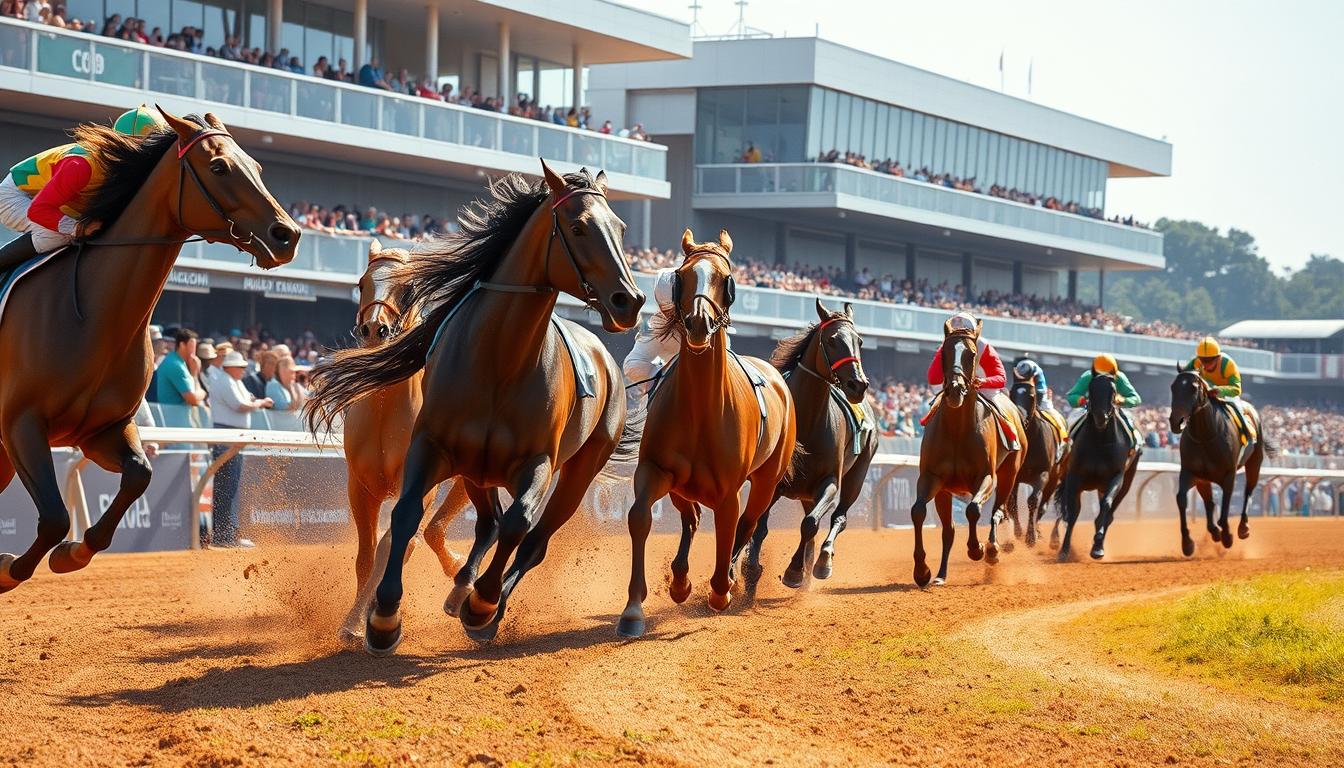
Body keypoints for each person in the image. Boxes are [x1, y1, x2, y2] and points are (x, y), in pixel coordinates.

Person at [0, 105, 165, 271]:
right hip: (16, 196)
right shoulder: (82, 166)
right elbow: (38, 211)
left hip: (58, 200)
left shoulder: (120, 168)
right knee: (58, 235)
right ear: (130, 147)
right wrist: (78, 228)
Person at [205, 351, 273, 548]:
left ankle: (228, 534)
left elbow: (244, 402)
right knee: (226, 486)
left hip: (234, 437)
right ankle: (223, 536)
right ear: (230, 367)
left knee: (230, 486)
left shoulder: (231, 380)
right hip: (228, 437)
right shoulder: (225, 381)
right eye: (240, 367)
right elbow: (240, 405)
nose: (244, 370)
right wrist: (260, 403)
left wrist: (254, 402)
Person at [922, 311, 1017, 447]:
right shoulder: (947, 344)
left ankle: (1012, 441)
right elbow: (933, 377)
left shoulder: (983, 346)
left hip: (984, 390)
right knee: (933, 410)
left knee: (1003, 413)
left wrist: (983, 382)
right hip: (956, 387)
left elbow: (1001, 378)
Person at [1064, 353, 1142, 447]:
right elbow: (1072, 395)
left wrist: (1122, 400)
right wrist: (1082, 400)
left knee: (1130, 425)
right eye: (1100, 373)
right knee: (1070, 423)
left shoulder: (1119, 377)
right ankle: (1064, 448)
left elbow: (1136, 398)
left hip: (1114, 409)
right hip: (1089, 408)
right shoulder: (1088, 376)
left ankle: (1135, 447)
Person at [1187, 336, 1253, 443]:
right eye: (1203, 360)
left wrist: (1219, 391)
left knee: (1238, 409)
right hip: (1206, 393)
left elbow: (1237, 389)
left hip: (1227, 394)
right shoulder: (1196, 362)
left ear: (1217, 358)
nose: (1205, 364)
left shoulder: (1227, 364)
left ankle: (1248, 435)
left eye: (1209, 360)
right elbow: (1184, 376)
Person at [155, 328, 206, 427]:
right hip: (174, 424)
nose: (194, 351)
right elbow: (193, 399)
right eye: (192, 346)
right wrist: (196, 377)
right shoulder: (176, 365)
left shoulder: (177, 362)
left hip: (178, 421)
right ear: (182, 345)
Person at [1012, 357, 1068, 441]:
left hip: (1040, 394)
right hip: (1021, 394)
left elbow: (1040, 390)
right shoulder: (1018, 369)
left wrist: (1036, 406)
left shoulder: (1036, 370)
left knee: (1053, 415)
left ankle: (1063, 440)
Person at [265, 356, 307, 429]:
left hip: (291, 426)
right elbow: (289, 408)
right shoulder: (273, 385)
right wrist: (292, 390)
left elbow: (305, 401)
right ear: (283, 372)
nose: (294, 375)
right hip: (281, 428)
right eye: (292, 372)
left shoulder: (287, 386)